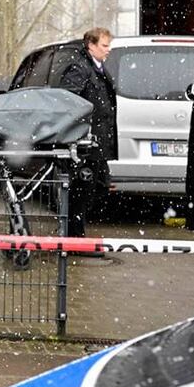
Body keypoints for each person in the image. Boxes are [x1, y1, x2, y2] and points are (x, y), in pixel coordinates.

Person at [57, 27, 117, 245]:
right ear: (91, 45)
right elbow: (70, 100)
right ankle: (74, 237)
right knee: (83, 188)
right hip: (86, 142)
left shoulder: (97, 68)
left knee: (98, 185)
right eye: (104, 45)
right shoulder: (80, 68)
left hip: (97, 141)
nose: (108, 50)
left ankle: (74, 233)